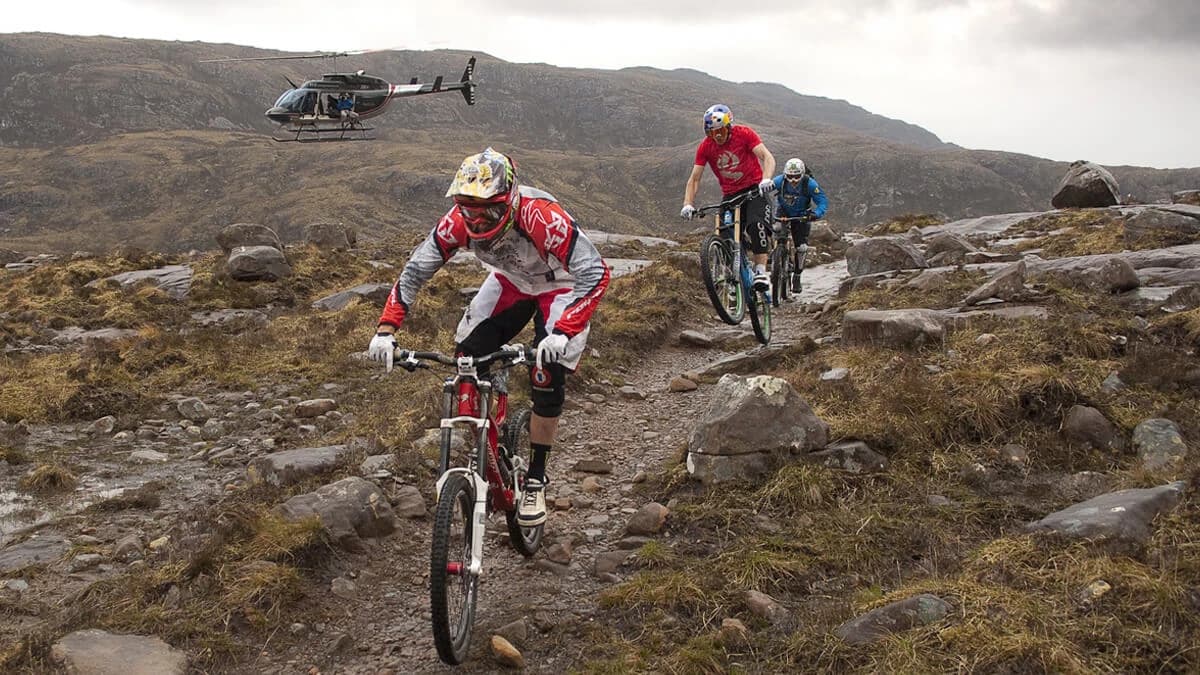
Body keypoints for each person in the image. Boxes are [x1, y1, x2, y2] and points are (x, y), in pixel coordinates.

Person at [367, 147, 611, 528]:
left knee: (545, 375)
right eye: (469, 211)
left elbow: (595, 273)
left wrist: (564, 331)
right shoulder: (457, 222)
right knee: (468, 354)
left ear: (510, 201)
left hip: (561, 286)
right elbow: (415, 271)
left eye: (489, 212)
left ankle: (535, 479)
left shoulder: (541, 216)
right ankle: (492, 437)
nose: (478, 222)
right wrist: (386, 330)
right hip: (511, 283)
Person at [680, 104, 776, 292]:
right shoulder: (706, 147)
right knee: (725, 235)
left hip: (754, 189)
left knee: (757, 226)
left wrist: (766, 178)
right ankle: (734, 276)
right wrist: (687, 204)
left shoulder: (745, 134)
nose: (717, 135)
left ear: (729, 125)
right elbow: (695, 179)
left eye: (720, 130)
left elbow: (767, 157)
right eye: (711, 132)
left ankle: (761, 272)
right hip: (731, 194)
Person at [771, 158, 828, 294]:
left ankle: (797, 275)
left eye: (797, 176)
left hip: (802, 215)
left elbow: (822, 201)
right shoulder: (779, 181)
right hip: (782, 212)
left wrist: (816, 214)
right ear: (785, 175)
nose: (793, 180)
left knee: (801, 247)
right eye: (790, 177)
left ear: (802, 174)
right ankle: (776, 257)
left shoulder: (809, 184)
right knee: (777, 229)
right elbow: (763, 190)